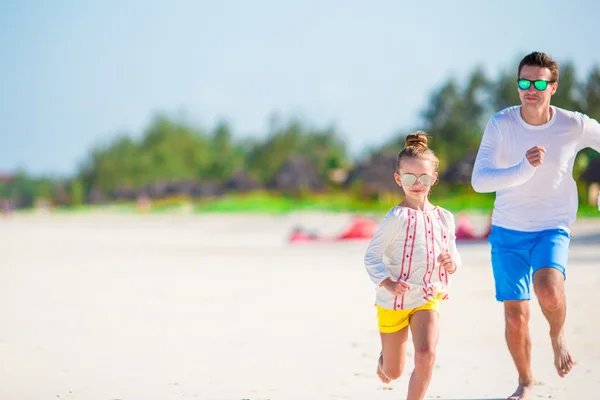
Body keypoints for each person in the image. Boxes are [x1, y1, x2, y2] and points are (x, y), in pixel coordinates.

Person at [471, 51, 600, 400]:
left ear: (553, 87)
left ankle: (557, 336)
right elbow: (479, 180)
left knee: (548, 289)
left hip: (552, 226)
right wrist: (523, 168)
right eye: (524, 82)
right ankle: (526, 381)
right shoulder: (502, 123)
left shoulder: (573, 124)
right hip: (508, 229)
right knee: (516, 316)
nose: (531, 88)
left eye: (539, 82)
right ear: (518, 86)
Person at [364, 132, 461, 400]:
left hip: (428, 295)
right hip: (392, 300)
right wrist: (388, 283)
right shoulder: (396, 217)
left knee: (427, 353)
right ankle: (386, 356)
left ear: (434, 179)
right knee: (393, 372)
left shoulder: (445, 217)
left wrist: (452, 264)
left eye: (424, 178)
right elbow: (371, 256)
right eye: (409, 177)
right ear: (398, 179)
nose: (417, 184)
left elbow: (453, 255)